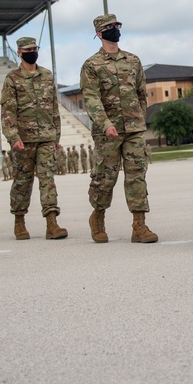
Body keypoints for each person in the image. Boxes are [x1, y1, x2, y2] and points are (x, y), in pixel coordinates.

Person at [80, 13, 157, 244]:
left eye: (117, 25)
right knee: (105, 178)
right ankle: (98, 218)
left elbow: (141, 93)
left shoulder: (133, 60)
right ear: (99, 33)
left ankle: (139, 226)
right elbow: (91, 99)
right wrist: (105, 124)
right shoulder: (91, 65)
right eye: (109, 27)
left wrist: (139, 118)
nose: (115, 29)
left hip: (133, 129)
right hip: (108, 132)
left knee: (137, 177)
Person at [0, 37, 67, 240]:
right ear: (19, 53)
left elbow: (54, 107)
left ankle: (52, 222)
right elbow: (7, 112)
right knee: (22, 181)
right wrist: (13, 137)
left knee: (48, 179)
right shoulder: (12, 79)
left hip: (46, 136)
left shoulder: (46, 75)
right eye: (28, 49)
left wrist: (56, 135)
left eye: (35, 48)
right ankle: (19, 221)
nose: (32, 52)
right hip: (24, 140)